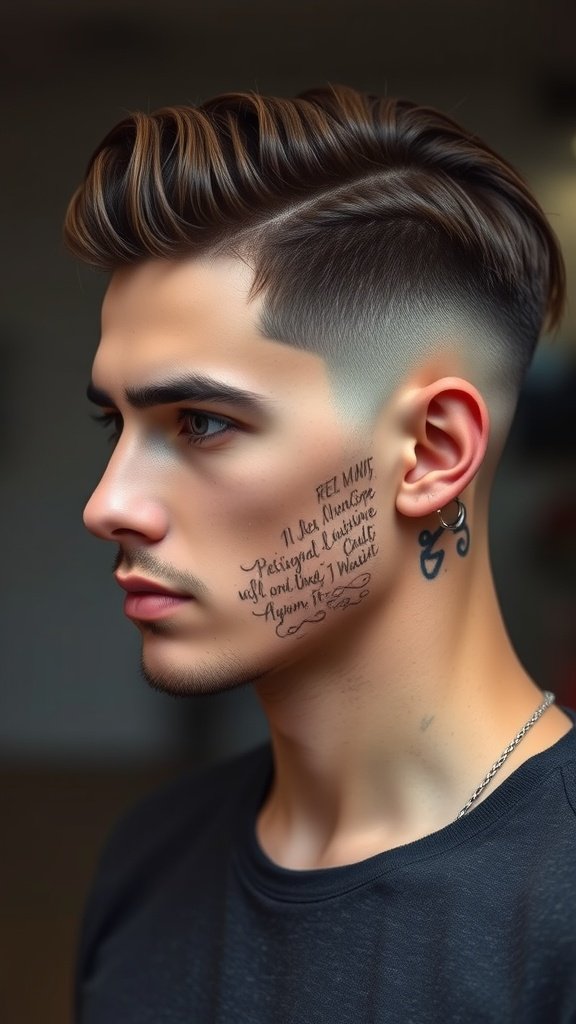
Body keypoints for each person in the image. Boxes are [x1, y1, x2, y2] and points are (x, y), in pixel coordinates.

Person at [64, 84, 576, 1023]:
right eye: (116, 424)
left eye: (203, 422)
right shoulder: (148, 860)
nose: (109, 506)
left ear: (431, 454)